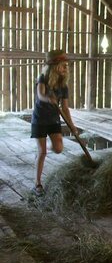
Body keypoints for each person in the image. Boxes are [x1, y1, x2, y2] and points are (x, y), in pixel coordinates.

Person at [31, 50, 78, 196]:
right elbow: (40, 95)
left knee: (58, 149)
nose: (66, 68)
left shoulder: (63, 86)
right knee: (42, 152)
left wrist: (72, 125)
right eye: (63, 65)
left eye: (66, 66)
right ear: (55, 66)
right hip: (39, 120)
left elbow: (65, 108)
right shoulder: (43, 78)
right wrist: (48, 99)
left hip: (53, 120)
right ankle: (37, 184)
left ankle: (42, 150)